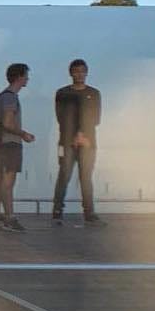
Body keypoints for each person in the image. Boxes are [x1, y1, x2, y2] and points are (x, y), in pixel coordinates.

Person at [52, 59, 103, 226]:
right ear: (71, 73)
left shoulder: (94, 93)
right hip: (66, 143)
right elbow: (61, 118)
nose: (79, 74)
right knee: (64, 175)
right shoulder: (62, 93)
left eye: (82, 71)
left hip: (88, 142)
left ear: (87, 72)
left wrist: (82, 135)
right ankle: (57, 211)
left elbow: (95, 118)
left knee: (86, 178)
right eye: (76, 71)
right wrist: (74, 135)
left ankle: (89, 213)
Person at [0, 63, 35, 233]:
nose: (28, 79)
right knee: (8, 182)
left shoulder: (3, 96)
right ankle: (9, 219)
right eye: (26, 75)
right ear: (19, 77)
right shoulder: (10, 98)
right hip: (10, 144)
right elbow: (8, 123)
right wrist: (24, 134)